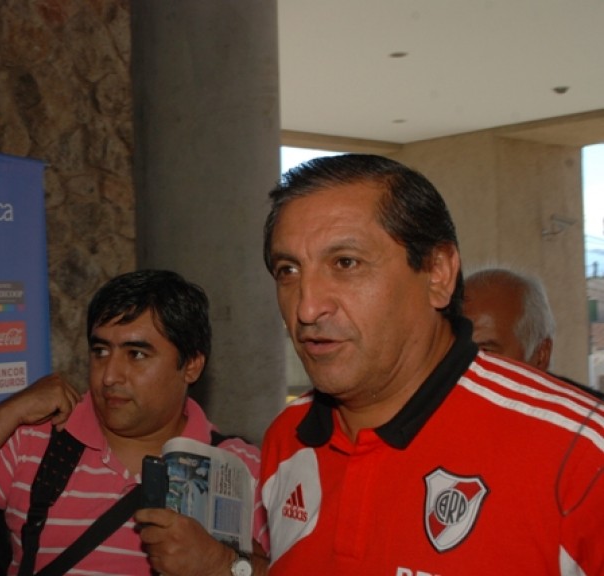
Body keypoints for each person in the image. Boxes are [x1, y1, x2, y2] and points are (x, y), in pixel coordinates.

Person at [258, 153, 604, 574]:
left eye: (346, 263)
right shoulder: (286, 437)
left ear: (438, 274)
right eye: (288, 270)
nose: (307, 307)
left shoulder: (579, 452)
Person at [0, 269, 269, 576]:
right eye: (100, 351)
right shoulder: (37, 443)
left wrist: (221, 565)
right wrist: (10, 411)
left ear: (191, 366)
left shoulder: (240, 469)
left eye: (136, 354)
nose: (109, 376)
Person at [463, 266, 604, 397]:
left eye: (486, 352)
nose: (465, 368)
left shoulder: (584, 414)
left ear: (541, 355)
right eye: (455, 351)